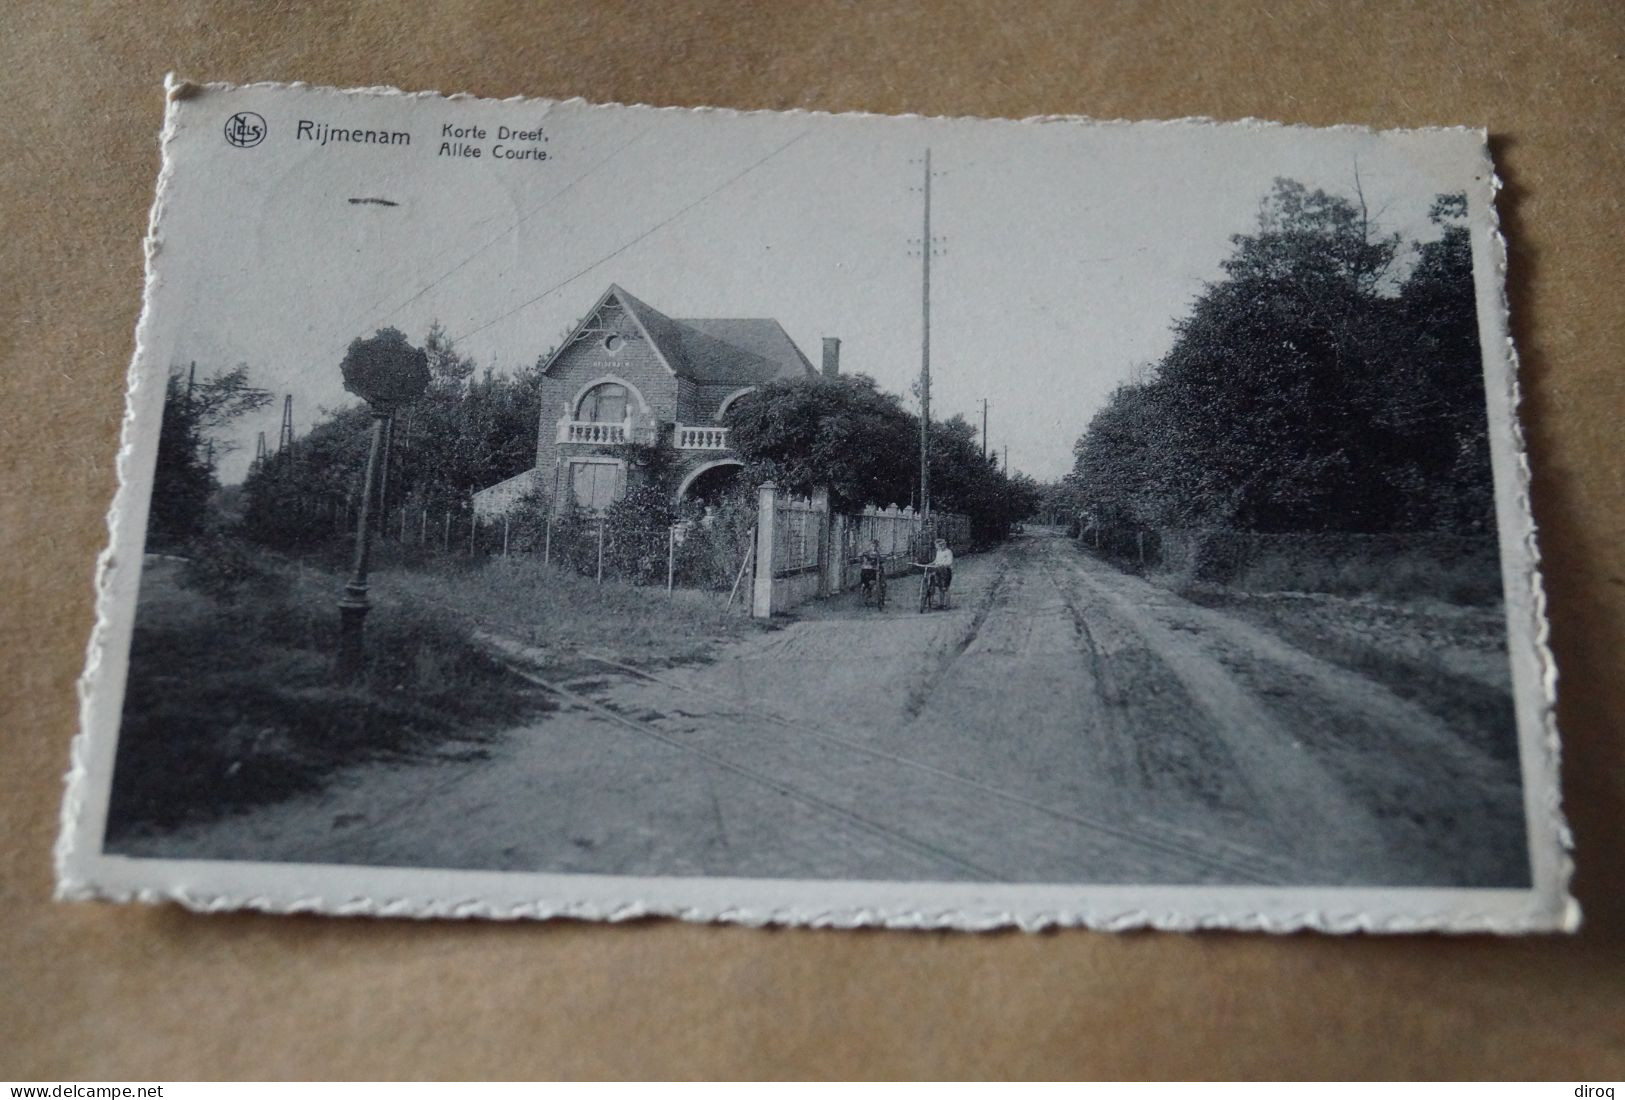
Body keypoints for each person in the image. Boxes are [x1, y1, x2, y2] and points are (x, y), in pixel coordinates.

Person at [915, 537, 954, 608]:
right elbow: (936, 561)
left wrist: (943, 564)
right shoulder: (938, 552)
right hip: (937, 569)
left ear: (943, 545)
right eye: (937, 547)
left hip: (945, 570)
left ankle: (943, 603)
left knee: (943, 587)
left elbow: (950, 562)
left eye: (940, 546)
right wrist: (930, 564)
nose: (938, 548)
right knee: (932, 578)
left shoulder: (948, 552)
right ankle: (929, 592)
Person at [858, 538, 886, 605]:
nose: (873, 546)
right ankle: (865, 587)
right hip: (869, 570)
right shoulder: (868, 552)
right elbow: (861, 556)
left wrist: (881, 560)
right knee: (864, 577)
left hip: (877, 570)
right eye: (872, 545)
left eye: (875, 545)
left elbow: (882, 559)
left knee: (883, 583)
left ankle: (882, 597)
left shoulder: (879, 552)